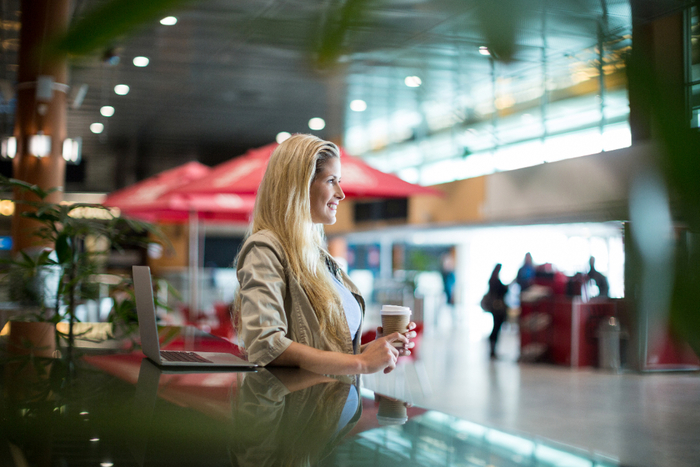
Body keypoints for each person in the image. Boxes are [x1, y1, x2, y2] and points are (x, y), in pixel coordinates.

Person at [234, 134, 415, 375]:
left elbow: (324, 351)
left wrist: (371, 351)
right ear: (298, 186)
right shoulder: (265, 248)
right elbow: (265, 344)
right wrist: (360, 363)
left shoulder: (317, 256)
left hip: (333, 405)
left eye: (339, 181)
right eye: (331, 181)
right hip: (296, 410)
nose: (341, 193)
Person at [486, 263, 508, 359]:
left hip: (495, 308)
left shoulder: (492, 280)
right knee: (496, 328)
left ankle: (493, 349)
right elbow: (502, 291)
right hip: (497, 308)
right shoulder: (495, 281)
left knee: (496, 327)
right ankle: (492, 349)